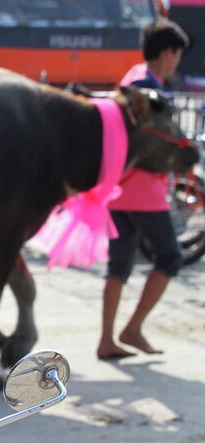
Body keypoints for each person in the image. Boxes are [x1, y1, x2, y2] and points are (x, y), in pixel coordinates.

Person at [97, 19, 190, 360]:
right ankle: (132, 328)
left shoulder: (132, 80)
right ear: (168, 52)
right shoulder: (146, 89)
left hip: (118, 189)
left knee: (119, 264)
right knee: (170, 257)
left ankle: (108, 339)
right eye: (178, 55)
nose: (177, 62)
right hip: (142, 191)